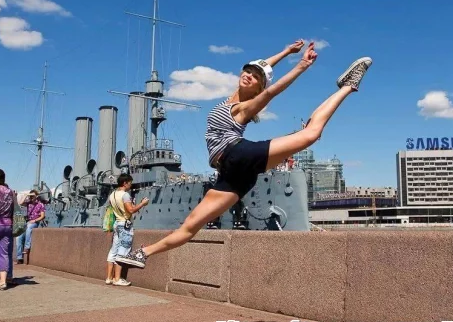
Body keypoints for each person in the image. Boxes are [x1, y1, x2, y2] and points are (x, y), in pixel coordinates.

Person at [116, 40, 372, 268]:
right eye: (246, 72)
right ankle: (143, 253)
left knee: (310, 134)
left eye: (254, 77)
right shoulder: (232, 97)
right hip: (232, 173)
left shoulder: (243, 108)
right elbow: (261, 69)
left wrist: (301, 66)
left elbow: (272, 90)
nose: (248, 76)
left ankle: (347, 87)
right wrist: (285, 52)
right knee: (191, 225)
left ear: (259, 87)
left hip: (238, 154)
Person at [105, 174, 149, 285]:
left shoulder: (112, 195)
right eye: (130, 182)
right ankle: (117, 279)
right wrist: (142, 204)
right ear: (125, 183)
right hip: (125, 225)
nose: (131, 185)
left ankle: (109, 278)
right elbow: (131, 210)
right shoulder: (125, 195)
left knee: (113, 251)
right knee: (123, 250)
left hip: (117, 224)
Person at [16, 190, 45, 264]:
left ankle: (27, 247)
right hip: (28, 222)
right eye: (30, 196)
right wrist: (26, 195)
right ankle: (19, 258)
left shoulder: (41, 204)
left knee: (29, 229)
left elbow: (42, 216)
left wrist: (34, 221)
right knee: (18, 236)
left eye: (33, 196)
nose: (31, 197)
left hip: (34, 222)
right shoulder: (28, 203)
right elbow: (20, 203)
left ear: (36, 196)